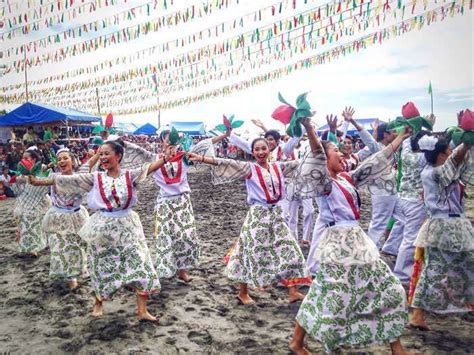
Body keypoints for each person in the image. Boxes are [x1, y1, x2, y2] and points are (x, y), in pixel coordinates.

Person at [289, 116, 410, 354]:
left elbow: (375, 160)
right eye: (337, 151)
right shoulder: (323, 183)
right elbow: (317, 152)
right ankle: (296, 342)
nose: (343, 154)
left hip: (357, 242)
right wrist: (310, 129)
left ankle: (397, 346)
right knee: (331, 295)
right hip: (337, 245)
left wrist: (399, 138)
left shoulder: (346, 179)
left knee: (388, 288)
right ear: (324, 159)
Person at [30, 141, 165, 321]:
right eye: (100, 154)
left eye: (106, 154)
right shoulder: (95, 177)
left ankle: (142, 311)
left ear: (118, 156)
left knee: (141, 263)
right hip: (103, 226)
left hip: (128, 226)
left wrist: (165, 159)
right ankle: (98, 303)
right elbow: (66, 180)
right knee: (101, 266)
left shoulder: (129, 175)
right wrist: (36, 181)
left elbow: (148, 168)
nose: (102, 158)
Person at [189, 121, 313, 305]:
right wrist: (202, 159)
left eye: (264, 148)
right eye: (257, 150)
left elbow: (300, 163)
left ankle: (292, 291)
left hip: (276, 216)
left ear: (269, 149)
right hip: (258, 216)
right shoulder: (250, 168)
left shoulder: (279, 167)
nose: (261, 152)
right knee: (248, 252)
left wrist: (315, 140)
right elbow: (225, 162)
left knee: (290, 249)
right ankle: (243, 292)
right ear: (253, 152)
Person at [409, 133, 473, 330]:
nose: (450, 154)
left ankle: (419, 314)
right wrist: (467, 141)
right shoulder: (433, 173)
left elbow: (456, 161)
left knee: (466, 265)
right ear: (440, 155)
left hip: (453, 226)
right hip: (442, 227)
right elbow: (456, 159)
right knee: (434, 271)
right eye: (447, 152)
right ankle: (417, 315)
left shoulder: (438, 170)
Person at [30, 149, 89, 290]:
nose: (62, 161)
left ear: (73, 161)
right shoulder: (53, 176)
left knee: (77, 246)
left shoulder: (80, 177)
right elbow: (35, 180)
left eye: (65, 158)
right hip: (57, 217)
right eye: (59, 159)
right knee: (60, 246)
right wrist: (45, 166)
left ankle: (77, 271)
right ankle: (71, 278)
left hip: (77, 216)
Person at [11, 149, 51, 257]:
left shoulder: (40, 168)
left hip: (40, 201)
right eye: (22, 158)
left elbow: (46, 170)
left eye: (26, 158)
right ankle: (24, 247)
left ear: (33, 160)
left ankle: (35, 248)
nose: (23, 160)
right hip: (25, 201)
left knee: (36, 225)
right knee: (24, 225)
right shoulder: (22, 172)